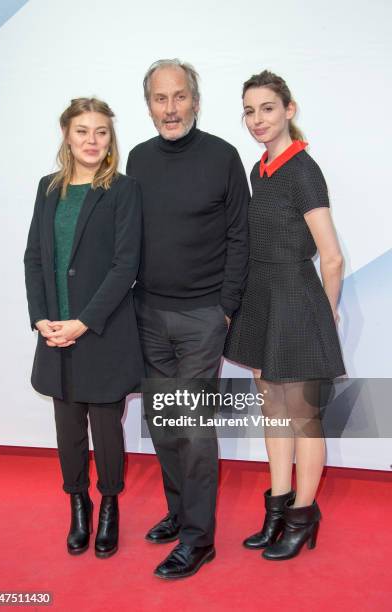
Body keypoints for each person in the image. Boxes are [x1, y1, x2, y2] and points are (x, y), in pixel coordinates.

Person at [126, 59, 249, 579]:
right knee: (163, 422)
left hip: (202, 315)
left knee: (194, 430)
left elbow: (241, 236)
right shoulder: (137, 159)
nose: (170, 108)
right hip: (148, 311)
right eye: (160, 98)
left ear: (195, 100)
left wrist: (224, 307)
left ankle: (200, 540)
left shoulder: (223, 156)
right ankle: (179, 512)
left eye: (179, 97)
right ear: (149, 104)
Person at [224, 70, 345, 560]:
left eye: (267, 108)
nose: (257, 119)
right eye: (249, 110)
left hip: (296, 301)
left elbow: (331, 257)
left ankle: (303, 513)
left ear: (288, 110)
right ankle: (277, 507)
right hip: (263, 301)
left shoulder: (302, 169)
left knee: (302, 417)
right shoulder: (261, 171)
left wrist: (327, 315)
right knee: (272, 408)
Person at [24, 97, 143, 558]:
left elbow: (125, 266)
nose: (92, 141)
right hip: (54, 331)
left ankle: (110, 504)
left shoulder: (123, 190)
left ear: (110, 138)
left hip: (102, 331)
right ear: (67, 136)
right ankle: (79, 505)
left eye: (101, 132)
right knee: (66, 427)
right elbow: (35, 257)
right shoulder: (48, 189)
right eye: (82, 131)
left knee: (107, 428)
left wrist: (83, 322)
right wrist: (41, 320)